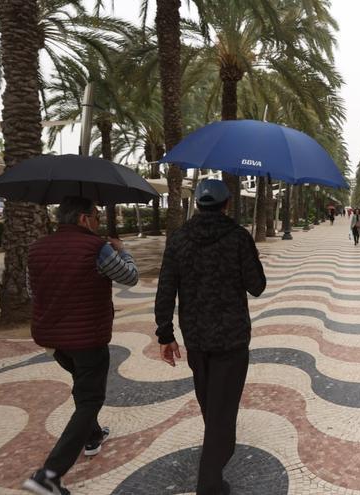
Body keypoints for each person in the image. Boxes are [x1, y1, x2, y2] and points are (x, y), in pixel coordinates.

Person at [154, 179, 265, 495]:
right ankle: (209, 482)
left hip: (197, 339)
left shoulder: (179, 239)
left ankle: (215, 453)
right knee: (223, 410)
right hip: (231, 340)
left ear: (198, 204)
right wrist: (249, 257)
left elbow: (166, 289)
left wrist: (165, 334)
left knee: (210, 405)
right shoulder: (238, 238)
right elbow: (257, 285)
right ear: (227, 204)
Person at [23, 196, 139, 495]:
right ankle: (49, 474)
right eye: (97, 216)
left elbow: (31, 289)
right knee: (89, 399)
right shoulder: (95, 248)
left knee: (82, 384)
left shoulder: (36, 248)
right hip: (87, 337)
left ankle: (93, 436)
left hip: (51, 338)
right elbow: (130, 277)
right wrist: (122, 252)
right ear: (84, 219)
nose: (99, 221)